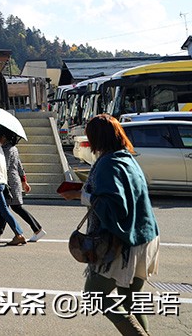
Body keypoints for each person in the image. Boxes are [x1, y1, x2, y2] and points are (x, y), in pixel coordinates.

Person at [62, 115, 159, 335]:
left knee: (95, 294)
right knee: (130, 300)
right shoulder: (126, 158)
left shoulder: (107, 163)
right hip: (145, 234)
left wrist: (79, 194)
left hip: (123, 241)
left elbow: (112, 204)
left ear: (96, 138)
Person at [0, 131, 45, 242]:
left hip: (9, 181)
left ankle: (37, 229)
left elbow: (4, 166)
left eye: (1, 135)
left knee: (16, 207)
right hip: (14, 180)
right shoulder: (13, 148)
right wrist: (24, 181)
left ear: (4, 137)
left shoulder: (5, 149)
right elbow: (19, 165)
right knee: (5, 206)